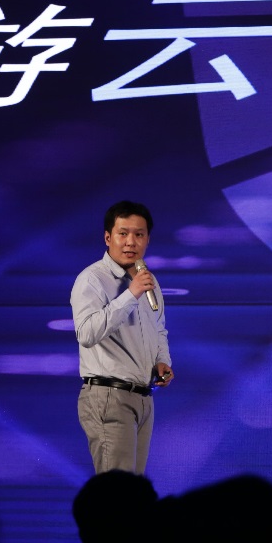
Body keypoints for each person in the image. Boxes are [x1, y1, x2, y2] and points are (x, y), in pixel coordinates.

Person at [70, 199, 174, 476]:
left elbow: (158, 328)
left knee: (133, 490)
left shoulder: (148, 280)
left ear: (147, 239)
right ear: (108, 238)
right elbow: (87, 333)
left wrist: (162, 361)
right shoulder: (92, 279)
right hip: (109, 395)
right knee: (116, 491)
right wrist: (131, 294)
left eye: (139, 234)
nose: (131, 242)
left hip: (143, 396)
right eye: (123, 233)